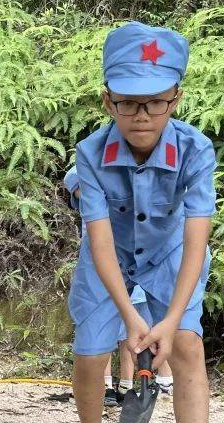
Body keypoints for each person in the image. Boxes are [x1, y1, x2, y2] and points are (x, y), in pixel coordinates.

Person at [59, 22, 224, 423]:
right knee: (90, 352)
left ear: (175, 99)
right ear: (108, 101)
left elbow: (196, 237)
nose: (141, 115)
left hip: (171, 260)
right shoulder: (91, 155)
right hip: (109, 263)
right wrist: (130, 318)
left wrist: (170, 320)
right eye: (128, 102)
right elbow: (99, 242)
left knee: (187, 346)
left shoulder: (195, 150)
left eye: (155, 102)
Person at [64, 169, 172, 403]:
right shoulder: (93, 161)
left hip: (144, 269)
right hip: (102, 270)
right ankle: (104, 390)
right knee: (96, 337)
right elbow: (73, 178)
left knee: (147, 332)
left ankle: (150, 383)